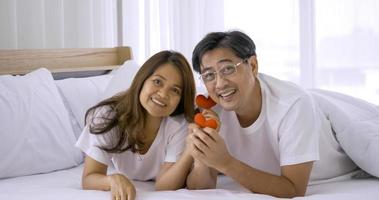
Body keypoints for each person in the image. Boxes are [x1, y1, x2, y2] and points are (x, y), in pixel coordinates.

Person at [186, 30, 379, 198]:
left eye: (228, 69)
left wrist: (226, 163)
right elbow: (200, 188)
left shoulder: (292, 105)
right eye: (209, 75)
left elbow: (293, 189)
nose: (219, 84)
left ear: (253, 66)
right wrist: (203, 156)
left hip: (348, 146)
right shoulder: (213, 112)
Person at [76, 50, 196, 200]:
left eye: (175, 90)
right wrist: (112, 179)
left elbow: (164, 186)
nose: (163, 94)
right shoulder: (107, 116)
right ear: (142, 80)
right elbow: (89, 178)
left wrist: (189, 151)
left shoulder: (178, 124)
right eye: (157, 81)